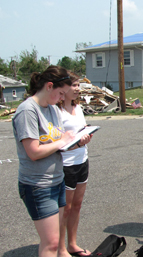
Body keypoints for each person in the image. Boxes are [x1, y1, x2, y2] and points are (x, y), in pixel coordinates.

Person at [13, 66, 75, 257]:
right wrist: (62, 141)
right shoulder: (27, 111)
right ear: (49, 86)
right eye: (61, 93)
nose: (63, 98)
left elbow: (56, 144)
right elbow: (33, 152)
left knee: (55, 241)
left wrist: (75, 142)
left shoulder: (53, 110)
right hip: (37, 185)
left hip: (56, 180)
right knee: (50, 243)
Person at [57, 72, 92, 257]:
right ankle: (60, 248)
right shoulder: (57, 111)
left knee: (77, 205)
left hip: (82, 159)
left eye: (78, 85)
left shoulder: (77, 108)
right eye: (74, 85)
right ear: (63, 88)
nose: (77, 89)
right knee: (66, 207)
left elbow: (80, 130)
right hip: (66, 164)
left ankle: (72, 244)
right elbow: (58, 141)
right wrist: (77, 142)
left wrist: (87, 135)